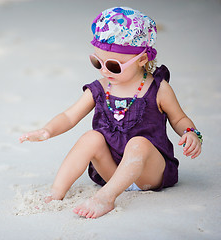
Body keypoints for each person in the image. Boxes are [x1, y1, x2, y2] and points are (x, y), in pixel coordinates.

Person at [19, 6, 203, 219]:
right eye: (98, 62)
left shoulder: (158, 89)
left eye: (114, 66)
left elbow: (179, 118)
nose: (105, 70)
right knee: (91, 137)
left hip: (150, 173)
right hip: (112, 170)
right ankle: (55, 192)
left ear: (142, 59)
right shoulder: (100, 87)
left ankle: (105, 198)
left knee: (139, 143)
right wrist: (46, 131)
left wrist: (190, 132)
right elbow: (70, 116)